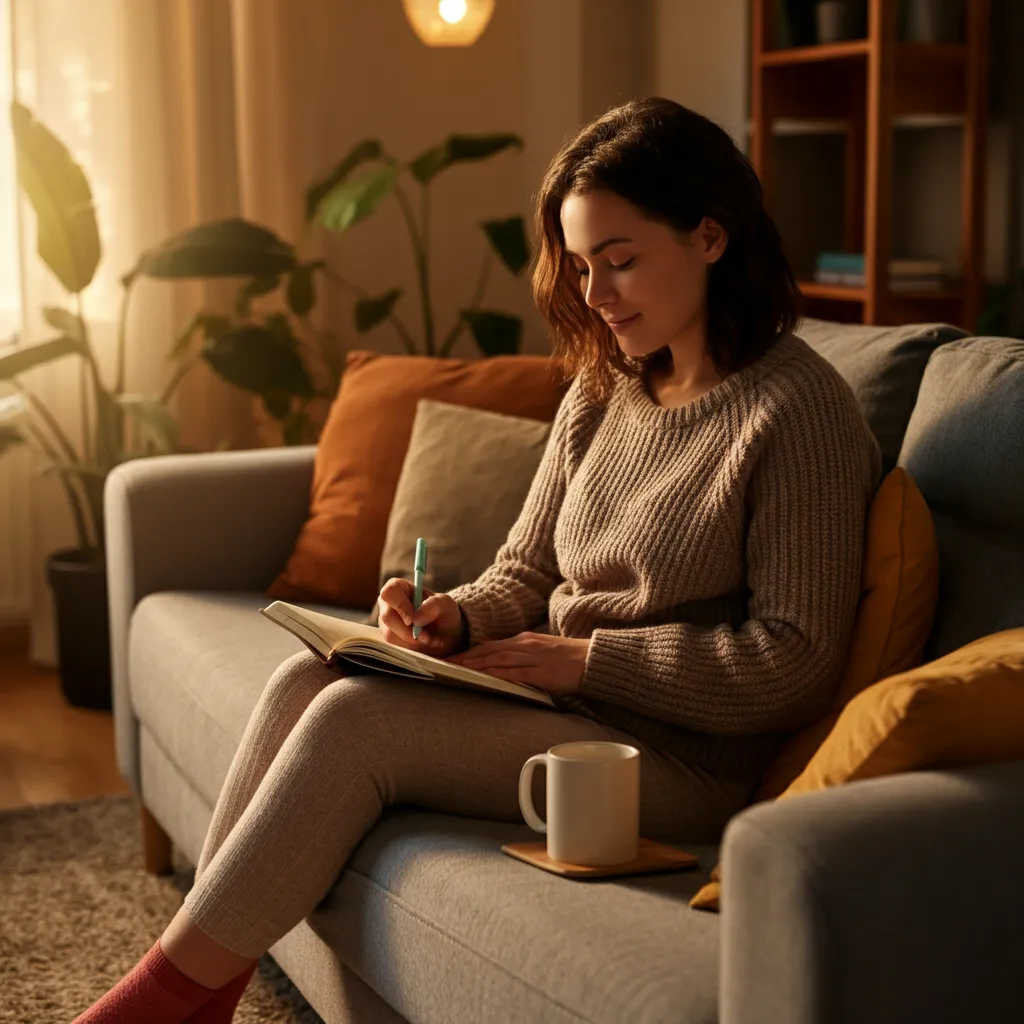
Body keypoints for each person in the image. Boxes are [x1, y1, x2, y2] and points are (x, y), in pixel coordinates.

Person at [72, 96, 881, 1023]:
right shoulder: (605, 386)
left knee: (356, 726)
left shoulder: (799, 412)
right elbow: (526, 573)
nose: (595, 295)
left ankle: (155, 1008)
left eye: (619, 262)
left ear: (709, 238)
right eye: (580, 267)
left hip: (678, 758)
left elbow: (794, 660)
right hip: (558, 706)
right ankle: (196, 996)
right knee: (306, 680)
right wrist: (449, 615)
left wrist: (585, 658)